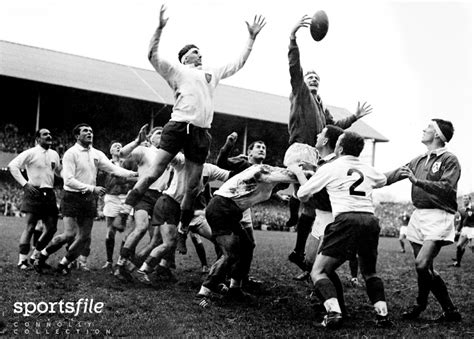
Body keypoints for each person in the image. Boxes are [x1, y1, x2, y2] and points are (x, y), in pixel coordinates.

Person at [116, 5, 266, 257]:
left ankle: (184, 229)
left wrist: (251, 39)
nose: (200, 54)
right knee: (155, 171)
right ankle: (125, 209)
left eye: (199, 51)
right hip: (178, 125)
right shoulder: (176, 71)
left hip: (200, 132)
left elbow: (237, 64)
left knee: (193, 188)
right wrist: (160, 28)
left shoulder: (211, 73)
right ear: (185, 58)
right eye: (195, 52)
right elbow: (151, 55)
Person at [285, 15, 373, 271]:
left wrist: (355, 117)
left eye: (316, 78)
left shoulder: (321, 107)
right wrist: (292, 39)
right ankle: (297, 232)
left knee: (314, 206)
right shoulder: (300, 93)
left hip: (315, 152)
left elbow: (335, 127)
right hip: (301, 147)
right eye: (310, 76)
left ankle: (300, 251)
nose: (313, 79)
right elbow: (295, 69)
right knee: (308, 197)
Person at [290, 131, 391, 329]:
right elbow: (382, 180)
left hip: (346, 219)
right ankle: (383, 315)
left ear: (341, 148)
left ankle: (334, 313)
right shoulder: (367, 167)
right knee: (370, 272)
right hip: (370, 220)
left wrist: (299, 173)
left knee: (318, 271)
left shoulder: (332, 167)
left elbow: (302, 194)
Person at [385, 119, 461, 322]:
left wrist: (418, 181)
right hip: (419, 215)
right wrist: (364, 179)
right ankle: (447, 310)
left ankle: (421, 303)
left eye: (428, 127)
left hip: (439, 215)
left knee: (421, 264)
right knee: (425, 268)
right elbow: (392, 175)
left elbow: (447, 187)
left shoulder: (449, 159)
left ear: (437, 134)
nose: (423, 129)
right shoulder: (418, 159)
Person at [196, 163, 303, 308]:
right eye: (283, 184)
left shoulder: (270, 186)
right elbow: (278, 174)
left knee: (247, 246)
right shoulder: (263, 172)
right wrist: (303, 171)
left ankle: (235, 288)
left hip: (231, 212)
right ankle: (203, 292)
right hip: (221, 209)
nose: (283, 187)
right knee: (230, 254)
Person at [36, 123, 137, 275]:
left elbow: (114, 169)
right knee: (69, 234)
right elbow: (68, 180)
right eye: (85, 131)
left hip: (88, 198)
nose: (89, 133)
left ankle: (63, 264)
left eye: (91, 130)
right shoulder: (71, 153)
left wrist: (133, 174)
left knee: (84, 237)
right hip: (72, 196)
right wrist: (92, 188)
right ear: (77, 136)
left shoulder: (97, 154)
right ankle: (42, 255)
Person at [130, 153, 230, 285]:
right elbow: (171, 155)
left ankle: (145, 267)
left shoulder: (209, 168)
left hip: (184, 210)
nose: (202, 150)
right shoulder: (183, 160)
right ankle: (140, 270)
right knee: (167, 243)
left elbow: (229, 175)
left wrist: (249, 170)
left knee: (161, 242)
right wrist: (171, 142)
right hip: (168, 204)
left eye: (205, 149)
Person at [114, 125, 172, 279]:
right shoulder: (144, 150)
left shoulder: (169, 154)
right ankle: (120, 265)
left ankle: (134, 265)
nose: (161, 136)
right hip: (144, 194)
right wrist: (136, 142)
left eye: (163, 134)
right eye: (158, 133)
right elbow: (122, 154)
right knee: (141, 228)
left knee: (158, 239)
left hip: (160, 197)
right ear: (150, 137)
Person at [8, 128, 61, 270]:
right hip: (34, 191)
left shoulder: (54, 154)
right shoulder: (30, 152)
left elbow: (59, 172)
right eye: (45, 134)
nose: (49, 136)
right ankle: (22, 260)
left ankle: (36, 256)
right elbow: (12, 166)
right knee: (30, 226)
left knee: (51, 228)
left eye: (50, 134)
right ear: (38, 139)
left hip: (49, 192)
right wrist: (25, 184)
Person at [100, 141, 135, 270]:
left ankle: (125, 259)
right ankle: (109, 261)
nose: (118, 147)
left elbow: (133, 179)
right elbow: (108, 182)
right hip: (112, 197)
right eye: (115, 146)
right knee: (110, 230)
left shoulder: (129, 162)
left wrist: (125, 178)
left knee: (131, 230)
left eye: (120, 145)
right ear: (110, 151)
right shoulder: (106, 164)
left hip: (127, 197)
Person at [451, 195, 474, 267]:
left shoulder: (473, 208)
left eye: (466, 199)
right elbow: (461, 222)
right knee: (459, 246)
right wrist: (457, 230)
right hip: (465, 229)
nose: (465, 200)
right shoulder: (461, 210)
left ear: (469, 200)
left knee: (472, 246)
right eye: (464, 199)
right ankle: (458, 262)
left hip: (473, 229)